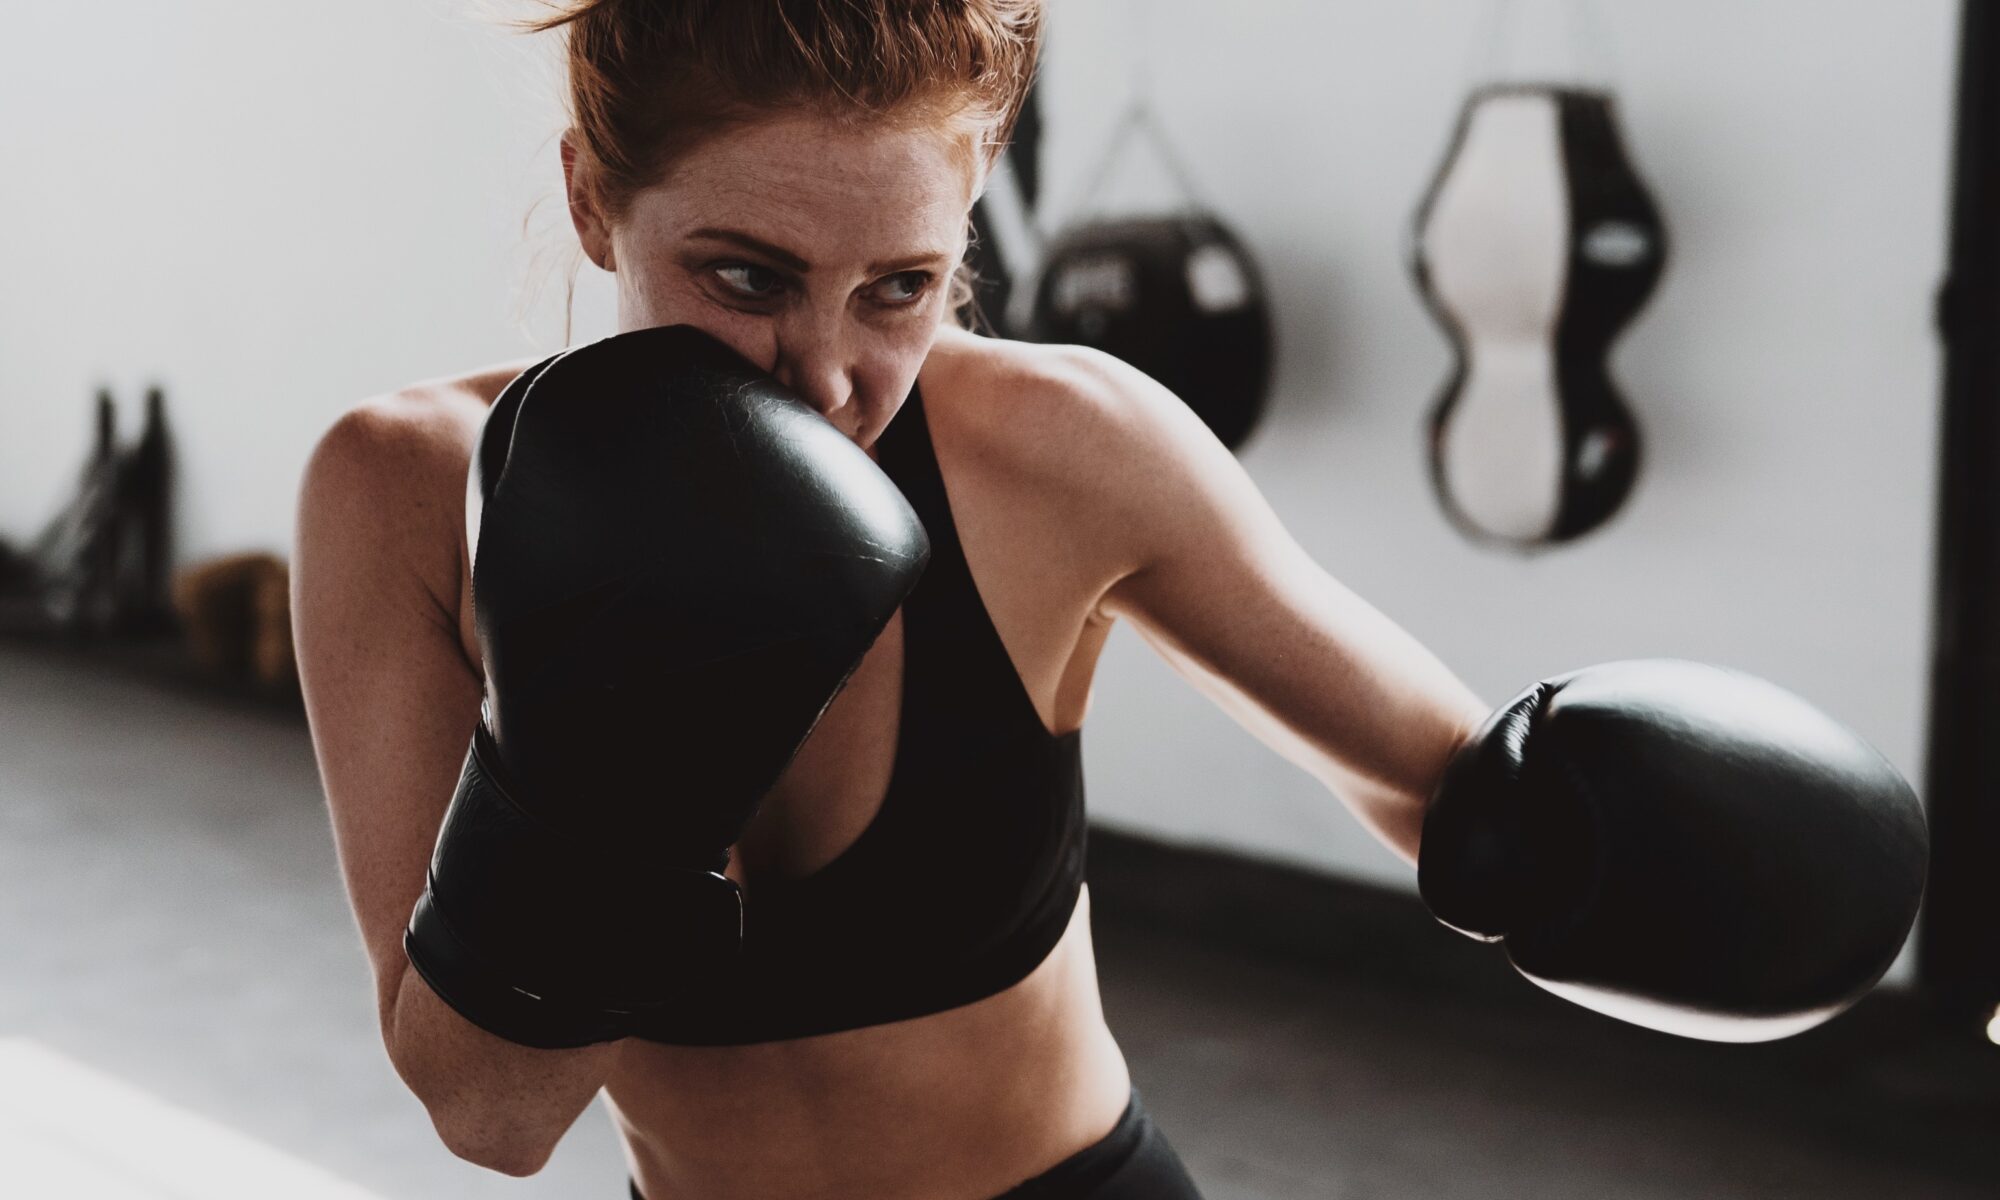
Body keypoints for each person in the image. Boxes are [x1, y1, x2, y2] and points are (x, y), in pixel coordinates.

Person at [292, 2, 1925, 1197]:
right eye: (743, 277)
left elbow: (1462, 795)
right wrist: (615, 748)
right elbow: (486, 1111)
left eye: (902, 288)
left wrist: (1611, 841)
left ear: (974, 202)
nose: (831, 373)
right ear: (593, 197)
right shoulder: (402, 493)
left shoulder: (1067, 451)